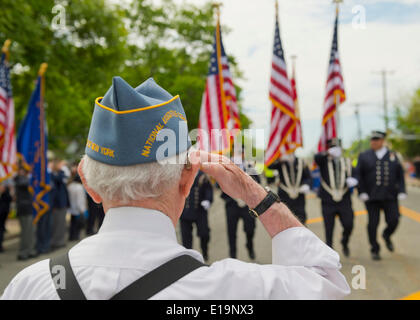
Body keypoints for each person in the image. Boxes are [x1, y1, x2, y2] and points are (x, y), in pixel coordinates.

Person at [1, 76, 349, 300]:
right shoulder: (237, 290)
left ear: (87, 182)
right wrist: (253, 192)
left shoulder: (29, 286)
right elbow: (326, 282)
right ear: (187, 178)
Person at [356, 131, 406, 260]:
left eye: (376, 139)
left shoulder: (393, 155)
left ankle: (387, 235)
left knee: (394, 220)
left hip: (390, 196)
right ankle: (374, 248)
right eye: (372, 139)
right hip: (371, 197)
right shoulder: (364, 156)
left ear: (382, 140)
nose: (373, 142)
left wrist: (402, 190)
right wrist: (361, 191)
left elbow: (400, 176)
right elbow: (358, 175)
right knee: (373, 223)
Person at [314, 138, 357, 257]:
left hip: (344, 199)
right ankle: (329, 252)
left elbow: (356, 173)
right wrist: (328, 153)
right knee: (329, 228)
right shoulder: (323, 161)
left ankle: (344, 241)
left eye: (337, 147)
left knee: (349, 224)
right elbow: (316, 158)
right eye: (332, 147)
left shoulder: (347, 161)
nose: (335, 150)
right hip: (328, 200)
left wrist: (354, 179)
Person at [221, 151, 260, 260]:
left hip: (247, 205)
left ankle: (249, 245)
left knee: (250, 229)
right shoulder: (226, 167)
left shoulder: (250, 167)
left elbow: (258, 183)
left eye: (240, 153)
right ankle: (232, 255)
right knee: (231, 231)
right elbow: (218, 184)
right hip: (231, 204)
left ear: (243, 154)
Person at [269, 153, 312, 224]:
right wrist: (279, 160)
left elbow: (308, 177)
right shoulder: (280, 162)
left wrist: (306, 184)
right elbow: (270, 166)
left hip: (299, 195)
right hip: (285, 195)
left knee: (301, 220)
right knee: (285, 220)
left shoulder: (301, 162)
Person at [180, 170, 213, 261]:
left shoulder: (203, 176)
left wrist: (208, 200)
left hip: (200, 211)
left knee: (204, 234)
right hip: (185, 212)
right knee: (186, 238)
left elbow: (208, 189)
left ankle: (205, 251)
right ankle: (188, 259)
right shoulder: (181, 174)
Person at [14, 168, 37, 260]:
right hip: (23, 208)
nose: (23, 172)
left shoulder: (25, 178)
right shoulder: (18, 179)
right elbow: (25, 183)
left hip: (29, 207)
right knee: (25, 232)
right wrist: (31, 177)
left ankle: (30, 250)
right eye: (22, 170)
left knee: (30, 230)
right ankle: (23, 252)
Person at [50, 159, 70, 250]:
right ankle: (55, 241)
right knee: (56, 224)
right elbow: (57, 180)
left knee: (62, 223)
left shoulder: (61, 173)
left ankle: (61, 241)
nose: (60, 166)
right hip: (55, 203)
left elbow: (64, 177)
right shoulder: (51, 175)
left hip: (62, 202)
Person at [68, 174, 87, 241]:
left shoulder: (70, 186)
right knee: (78, 225)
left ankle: (71, 236)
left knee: (72, 224)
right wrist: (82, 209)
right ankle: (76, 237)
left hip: (71, 208)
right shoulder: (79, 187)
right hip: (78, 209)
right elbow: (80, 199)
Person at [0, 183, 12, 253]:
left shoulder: (5, 190)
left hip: (3, 212)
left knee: (1, 229)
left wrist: (4, 191)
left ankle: (0, 245)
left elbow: (9, 199)